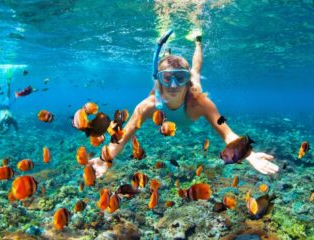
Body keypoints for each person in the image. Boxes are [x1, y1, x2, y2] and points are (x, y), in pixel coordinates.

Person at [86, 29, 279, 178]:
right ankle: (169, 53)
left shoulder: (202, 102)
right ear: (159, 80)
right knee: (181, 67)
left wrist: (248, 154)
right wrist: (106, 159)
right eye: (167, 78)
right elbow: (123, 135)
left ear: (186, 81)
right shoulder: (148, 106)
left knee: (195, 69)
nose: (173, 85)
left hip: (194, 89)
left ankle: (198, 42)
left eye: (180, 78)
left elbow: (226, 130)